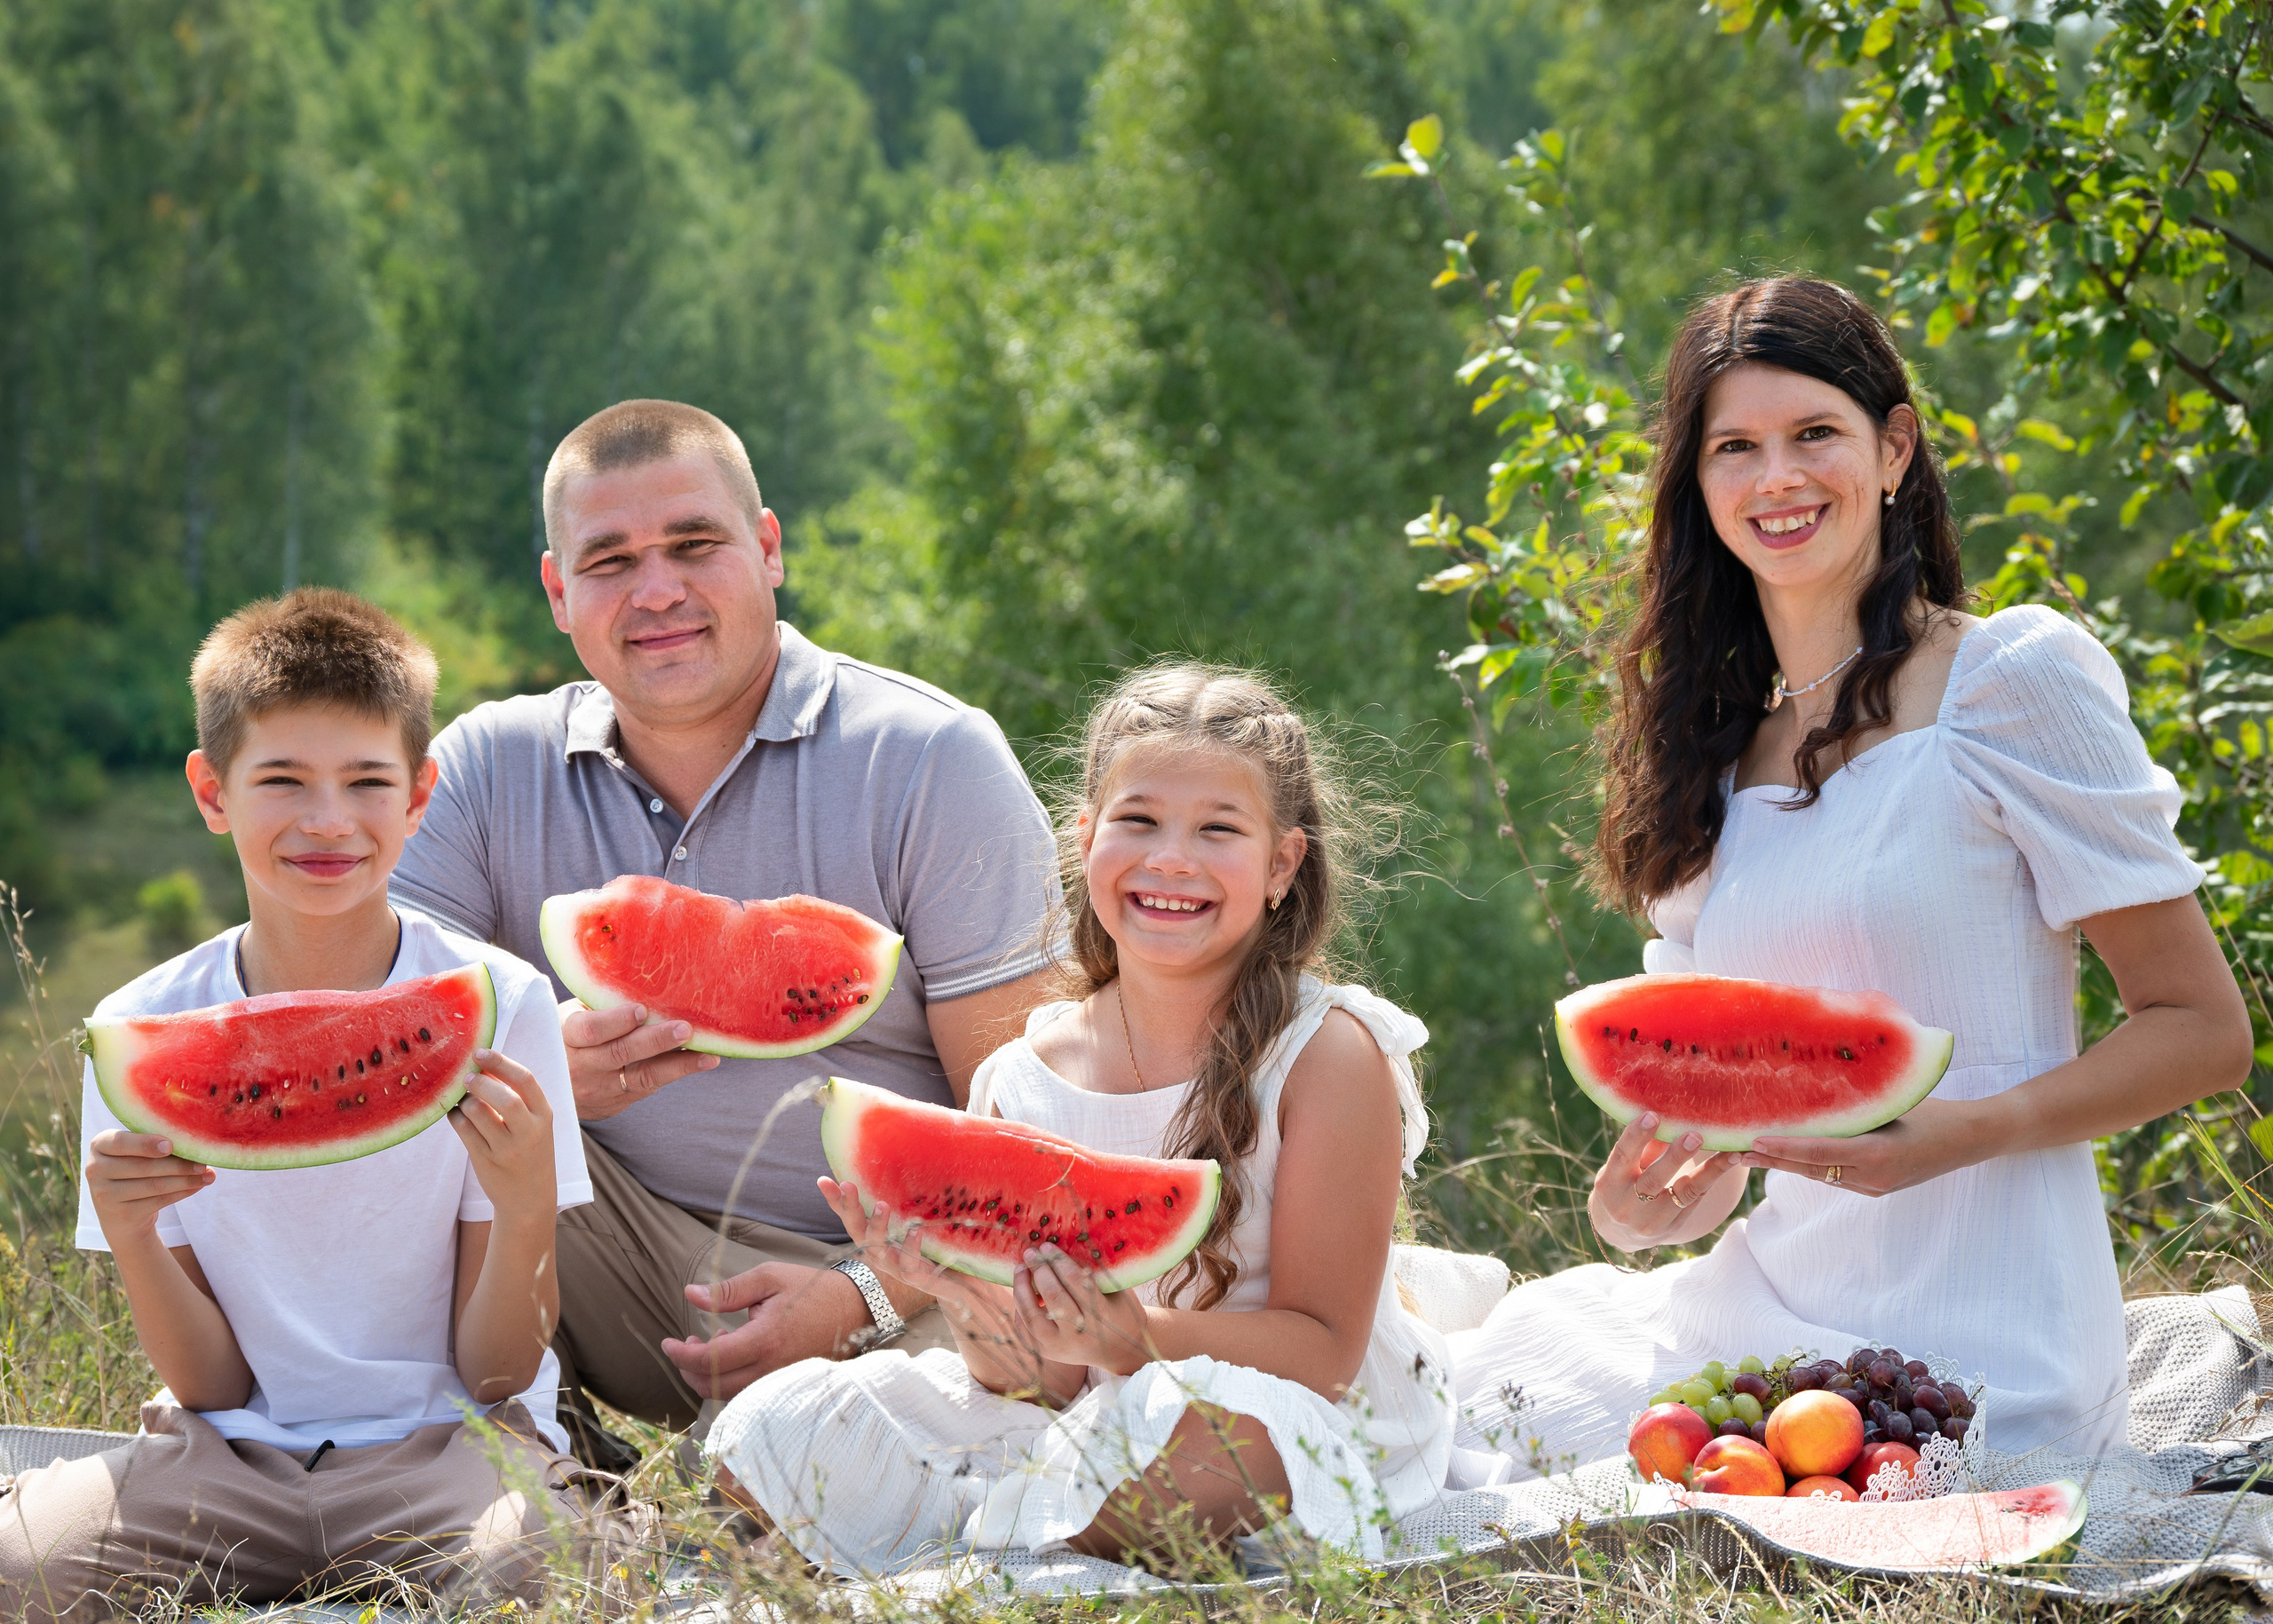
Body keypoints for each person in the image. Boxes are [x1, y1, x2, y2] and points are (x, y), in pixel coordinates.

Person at [1444, 277, 2253, 1483]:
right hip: (1763, 1320)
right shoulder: (1713, 755)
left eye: (1814, 432)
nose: (1777, 477)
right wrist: (1648, 1207)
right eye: (1735, 447)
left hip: (1990, 1344)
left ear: (1895, 448)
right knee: (1466, 1414)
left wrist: (1966, 1131)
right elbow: (1722, 1144)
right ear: (1697, 485)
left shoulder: (2010, 679)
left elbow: (2204, 1031)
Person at [386, 400, 1058, 1443]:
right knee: (408, 1129)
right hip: (599, 1259)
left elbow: (1027, 1133)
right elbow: (383, 1046)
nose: (657, 590)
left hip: (895, 1281)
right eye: (610, 560)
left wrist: (861, 1294)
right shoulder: (483, 768)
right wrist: (529, 1065)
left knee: (808, 1472)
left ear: (768, 547)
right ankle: (540, 1458)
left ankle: (753, 1470)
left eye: (694, 544)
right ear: (559, 592)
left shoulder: (932, 759)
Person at [702, 665, 1454, 1574]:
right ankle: (1025, 1531)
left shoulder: (1326, 1053)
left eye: (1219, 828)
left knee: (1212, 1446)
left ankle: (975, 1543)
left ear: (1282, 864)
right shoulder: (1021, 1077)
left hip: (1299, 1411)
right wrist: (957, 1288)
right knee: (769, 1433)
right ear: (1086, 837)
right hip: (1097, 1417)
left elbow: (1324, 1350)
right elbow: (1041, 1383)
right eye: (1138, 820)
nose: (1171, 858)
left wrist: (1135, 1338)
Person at [0, 590, 637, 1620]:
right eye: (283, 780)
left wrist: (525, 1205)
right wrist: (133, 1234)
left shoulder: (501, 1004)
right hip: (225, 1458)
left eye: (368, 782)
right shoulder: (136, 1029)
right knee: (13, 1569)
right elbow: (209, 1386)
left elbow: (495, 1373)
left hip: (453, 1449)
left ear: (419, 796)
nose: (329, 820)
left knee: (548, 1576)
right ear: (212, 791)